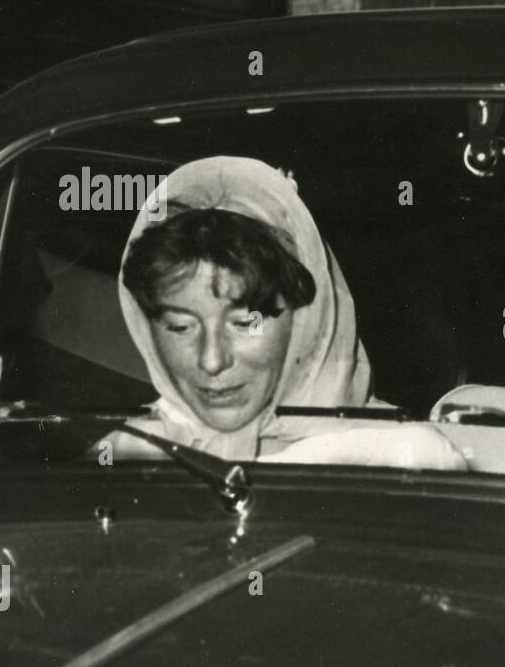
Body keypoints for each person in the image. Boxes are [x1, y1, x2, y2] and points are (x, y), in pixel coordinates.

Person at [105, 155, 466, 468]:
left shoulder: (406, 456)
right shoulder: (125, 453)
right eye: (180, 327)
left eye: (246, 322)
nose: (211, 361)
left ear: (305, 323)